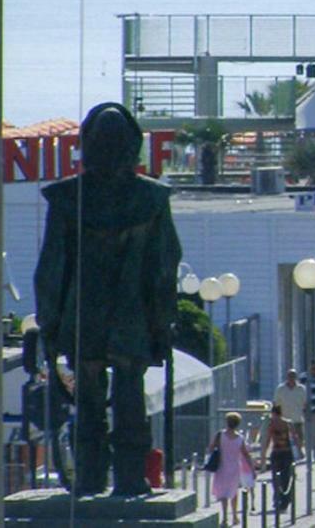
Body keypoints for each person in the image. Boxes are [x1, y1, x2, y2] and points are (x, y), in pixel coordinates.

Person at [34, 102, 182, 496]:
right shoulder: (152, 199)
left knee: (88, 400)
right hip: (131, 318)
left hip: (84, 317)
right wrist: (163, 321)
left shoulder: (67, 198)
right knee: (131, 397)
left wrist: (48, 322)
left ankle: (88, 479)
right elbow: (164, 269)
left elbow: (52, 269)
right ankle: (131, 480)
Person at [207, 411, 255, 527]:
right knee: (233, 492)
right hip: (234, 468)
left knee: (223, 493)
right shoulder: (240, 438)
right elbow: (246, 454)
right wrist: (253, 470)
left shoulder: (220, 435)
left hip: (222, 467)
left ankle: (224, 517)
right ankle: (234, 515)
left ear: (227, 422)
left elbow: (211, 448)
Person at [260, 403, 295, 513]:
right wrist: (300, 450)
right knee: (286, 478)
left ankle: (278, 499)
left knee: (276, 478)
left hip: (277, 453)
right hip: (287, 453)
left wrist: (264, 455)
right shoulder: (288, 424)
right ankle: (284, 501)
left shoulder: (272, 424)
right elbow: (295, 437)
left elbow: (268, 440)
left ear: (274, 413)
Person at [272, 369, 306, 451]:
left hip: (297, 419)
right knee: (285, 440)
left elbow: (305, 404)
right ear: (287, 377)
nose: (291, 378)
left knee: (299, 438)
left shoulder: (301, 389)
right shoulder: (280, 389)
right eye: (290, 376)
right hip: (285, 420)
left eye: (293, 376)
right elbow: (276, 404)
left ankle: (299, 453)